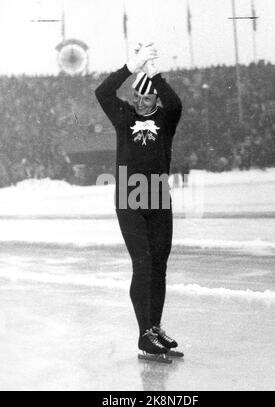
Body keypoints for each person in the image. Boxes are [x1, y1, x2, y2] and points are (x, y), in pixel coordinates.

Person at [95, 43, 182, 359]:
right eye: (137, 97)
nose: (142, 102)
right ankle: (144, 333)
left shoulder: (166, 119)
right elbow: (103, 92)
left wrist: (155, 75)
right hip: (130, 196)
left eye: (147, 97)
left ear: (155, 100)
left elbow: (175, 102)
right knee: (143, 263)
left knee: (159, 265)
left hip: (158, 194)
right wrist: (129, 68)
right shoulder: (123, 116)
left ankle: (154, 329)